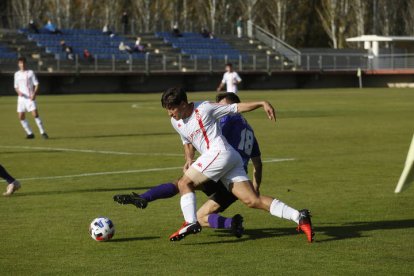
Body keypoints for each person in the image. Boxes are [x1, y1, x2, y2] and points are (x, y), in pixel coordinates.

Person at [163, 87, 314, 242]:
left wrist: (262, 103)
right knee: (253, 200)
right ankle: (299, 216)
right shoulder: (177, 121)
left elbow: (235, 107)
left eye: (171, 108)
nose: (169, 113)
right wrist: (189, 159)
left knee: (184, 183)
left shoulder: (205, 108)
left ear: (182, 104)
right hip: (232, 159)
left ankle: (190, 222)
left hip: (220, 154)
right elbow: (187, 141)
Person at [113, 93, 262, 238]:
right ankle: (233, 223)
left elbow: (208, 139)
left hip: (223, 172)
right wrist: (254, 189)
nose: (218, 108)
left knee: (182, 183)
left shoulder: (226, 121)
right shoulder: (249, 132)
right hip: (236, 181)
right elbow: (258, 164)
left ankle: (145, 198)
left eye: (222, 106)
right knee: (200, 215)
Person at [14, 57, 48, 139]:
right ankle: (30, 133)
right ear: (18, 64)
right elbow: (16, 86)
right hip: (21, 99)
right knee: (21, 117)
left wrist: (34, 94)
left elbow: (37, 84)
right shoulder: (16, 74)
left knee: (35, 114)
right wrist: (19, 92)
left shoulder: (30, 72)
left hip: (30, 97)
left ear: (26, 63)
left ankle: (43, 132)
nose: (22, 64)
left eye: (23, 63)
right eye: (20, 63)